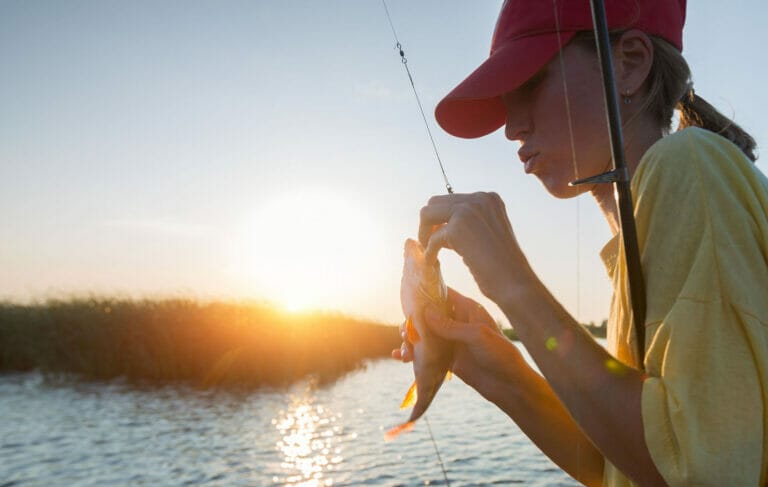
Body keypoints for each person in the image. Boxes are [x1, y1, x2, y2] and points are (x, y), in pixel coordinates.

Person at [391, 0, 768, 485]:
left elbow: (702, 475)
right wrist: (499, 370)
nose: (511, 126)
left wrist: (513, 283)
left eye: (530, 83)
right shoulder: (645, 235)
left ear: (630, 63)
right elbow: (622, 466)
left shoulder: (688, 164)